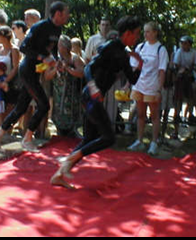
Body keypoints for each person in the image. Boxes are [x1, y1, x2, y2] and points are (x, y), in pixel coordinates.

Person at [50, 15, 143, 189]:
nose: (138, 37)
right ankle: (70, 159)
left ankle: (59, 174)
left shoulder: (123, 54)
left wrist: (140, 64)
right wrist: (93, 87)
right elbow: (88, 68)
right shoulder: (109, 47)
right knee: (108, 137)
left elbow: (133, 79)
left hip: (95, 97)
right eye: (136, 33)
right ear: (128, 33)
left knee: (90, 138)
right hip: (90, 96)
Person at [0, 1, 70, 152]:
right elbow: (23, 47)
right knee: (44, 105)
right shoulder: (40, 27)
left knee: (21, 107)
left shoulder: (58, 30)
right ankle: (27, 138)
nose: (68, 16)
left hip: (36, 71)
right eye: (66, 13)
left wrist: (55, 61)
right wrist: (42, 58)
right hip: (27, 69)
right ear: (58, 14)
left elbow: (50, 51)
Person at [127, 22, 169, 155]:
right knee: (140, 115)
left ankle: (154, 142)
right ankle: (139, 141)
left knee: (154, 116)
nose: (145, 34)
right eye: (144, 31)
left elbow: (162, 70)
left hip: (152, 87)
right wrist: (128, 83)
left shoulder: (161, 49)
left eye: (148, 31)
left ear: (155, 32)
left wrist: (159, 90)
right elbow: (134, 67)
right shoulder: (140, 47)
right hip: (139, 85)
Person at [44, 35, 85, 136]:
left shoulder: (75, 58)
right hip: (58, 93)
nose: (59, 47)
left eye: (61, 45)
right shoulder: (53, 59)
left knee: (72, 115)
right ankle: (60, 133)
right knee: (58, 115)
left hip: (72, 93)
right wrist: (55, 69)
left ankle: (73, 133)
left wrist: (68, 69)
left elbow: (82, 73)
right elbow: (47, 76)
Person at [171, 35, 196, 138]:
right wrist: (184, 70)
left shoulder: (193, 52)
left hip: (189, 78)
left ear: (190, 44)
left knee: (191, 99)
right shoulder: (179, 51)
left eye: (185, 43)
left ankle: (188, 117)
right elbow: (176, 64)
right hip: (180, 79)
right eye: (182, 43)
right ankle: (176, 130)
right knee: (178, 102)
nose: (183, 45)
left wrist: (190, 69)